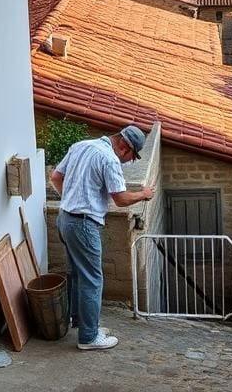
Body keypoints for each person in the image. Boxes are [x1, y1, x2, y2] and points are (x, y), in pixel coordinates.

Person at [51, 124, 155, 350]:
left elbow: (56, 176)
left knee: (77, 274)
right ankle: (89, 338)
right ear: (125, 147)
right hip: (84, 224)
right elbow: (121, 199)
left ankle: (82, 323)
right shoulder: (109, 159)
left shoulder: (81, 146)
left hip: (65, 218)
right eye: (131, 158)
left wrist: (70, 199)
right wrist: (144, 195)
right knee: (92, 280)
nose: (129, 162)